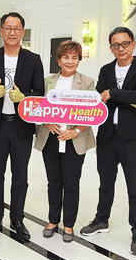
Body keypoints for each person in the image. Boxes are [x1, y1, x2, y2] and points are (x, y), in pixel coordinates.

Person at [80, 27, 136, 256]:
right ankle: (101, 220)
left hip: (132, 136)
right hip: (107, 135)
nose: (120, 48)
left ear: (133, 43)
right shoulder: (106, 69)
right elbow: (98, 99)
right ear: (111, 48)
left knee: (135, 186)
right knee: (105, 182)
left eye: (124, 44)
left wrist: (113, 93)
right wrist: (127, 98)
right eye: (115, 45)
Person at [0, 12, 45, 240]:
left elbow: (40, 93)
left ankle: (17, 219)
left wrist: (24, 98)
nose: (12, 32)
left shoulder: (33, 59)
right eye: (8, 28)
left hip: (21, 127)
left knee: (20, 176)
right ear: (1, 30)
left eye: (16, 28)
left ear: (22, 32)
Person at [34, 40, 96, 243]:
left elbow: (92, 112)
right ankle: (53, 220)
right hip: (50, 137)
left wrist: (75, 131)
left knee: (71, 183)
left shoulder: (87, 82)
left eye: (74, 57)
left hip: (75, 139)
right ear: (59, 60)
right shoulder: (47, 81)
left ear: (79, 60)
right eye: (66, 57)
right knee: (53, 182)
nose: (70, 61)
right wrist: (46, 121)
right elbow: (38, 106)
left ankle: (68, 224)